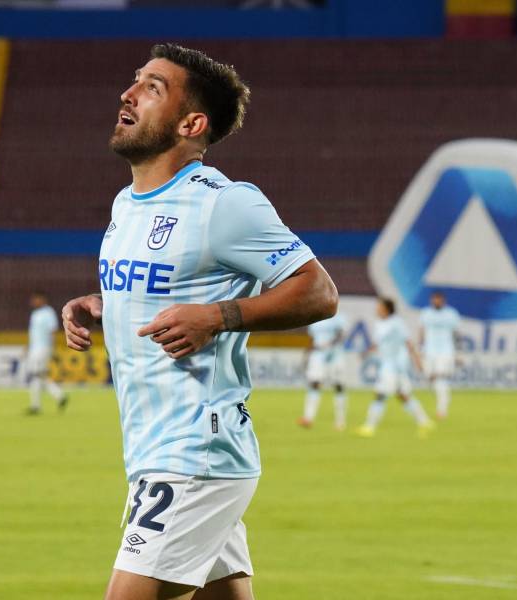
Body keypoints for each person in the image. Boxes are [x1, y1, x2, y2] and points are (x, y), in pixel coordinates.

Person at [61, 44, 338, 600]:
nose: (128, 93)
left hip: (192, 454)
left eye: (152, 88)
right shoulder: (125, 205)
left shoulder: (224, 204)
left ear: (192, 123)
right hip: (155, 448)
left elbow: (318, 292)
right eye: (136, 80)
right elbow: (172, 281)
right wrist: (105, 301)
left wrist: (218, 317)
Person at [356, 297, 434, 439]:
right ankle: (424, 421)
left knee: (380, 395)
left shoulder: (397, 323)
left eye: (379, 306)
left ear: (386, 309)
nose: (376, 309)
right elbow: (377, 343)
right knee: (402, 396)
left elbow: (408, 342)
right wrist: (366, 353)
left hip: (394, 365)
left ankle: (369, 427)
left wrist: (417, 360)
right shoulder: (380, 324)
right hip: (388, 365)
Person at [298, 312, 348, 431]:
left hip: (334, 356)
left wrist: (330, 345)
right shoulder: (314, 317)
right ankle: (308, 418)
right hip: (318, 355)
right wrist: (307, 353)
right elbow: (312, 338)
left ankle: (340, 421)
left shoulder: (337, 316)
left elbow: (341, 334)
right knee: (314, 383)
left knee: (338, 386)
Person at [419, 291, 460, 419]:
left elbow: (456, 334)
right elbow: (421, 331)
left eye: (439, 299)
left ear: (443, 300)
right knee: (429, 377)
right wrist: (421, 348)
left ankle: (442, 410)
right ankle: (433, 405)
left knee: (440, 379)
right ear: (431, 300)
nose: (436, 302)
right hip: (429, 351)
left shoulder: (451, 314)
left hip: (445, 351)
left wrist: (458, 352)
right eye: (434, 299)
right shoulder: (426, 314)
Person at [26, 291, 67, 415]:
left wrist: (52, 348)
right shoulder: (35, 314)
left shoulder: (48, 312)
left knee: (36, 375)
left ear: (42, 299)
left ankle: (52, 398)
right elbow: (34, 334)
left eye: (35, 299)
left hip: (43, 348)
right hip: (34, 348)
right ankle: (56, 397)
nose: (33, 302)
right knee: (38, 376)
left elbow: (53, 330)